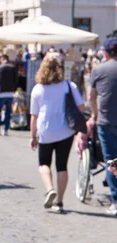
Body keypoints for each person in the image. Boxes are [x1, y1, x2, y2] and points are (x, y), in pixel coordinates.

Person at [29, 55, 84, 213]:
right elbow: (81, 107)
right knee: (62, 166)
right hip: (65, 130)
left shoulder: (38, 88)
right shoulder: (68, 85)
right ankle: (59, 201)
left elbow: (34, 115)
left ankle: (49, 189)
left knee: (44, 163)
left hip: (46, 130)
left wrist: (32, 136)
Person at [88, 38, 117, 216]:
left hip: (106, 122)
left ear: (105, 53)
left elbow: (91, 96)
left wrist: (94, 114)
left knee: (111, 160)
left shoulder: (98, 70)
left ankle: (115, 200)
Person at [0, 54, 18, 136]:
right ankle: (6, 129)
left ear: (2, 59)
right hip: (10, 93)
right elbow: (16, 79)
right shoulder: (13, 68)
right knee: (8, 112)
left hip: (0, 92)